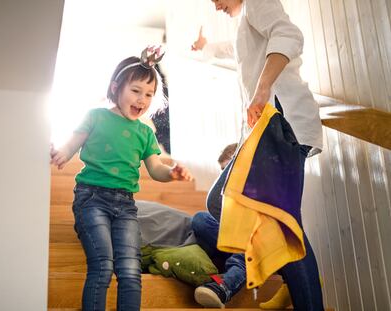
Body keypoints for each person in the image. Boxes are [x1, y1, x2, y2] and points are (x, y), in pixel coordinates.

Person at [191, 0, 324, 310]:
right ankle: (294, 275)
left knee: (265, 217)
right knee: (258, 216)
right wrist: (207, 47)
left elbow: (289, 35)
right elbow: (235, 49)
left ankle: (295, 276)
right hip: (268, 129)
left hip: (280, 123)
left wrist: (263, 89)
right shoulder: (247, 20)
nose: (215, 4)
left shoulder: (257, 2)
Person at [50, 47, 192, 311]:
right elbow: (70, 146)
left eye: (149, 94)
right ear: (116, 87)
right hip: (91, 199)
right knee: (103, 265)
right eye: (136, 91)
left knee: (130, 271)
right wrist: (59, 153)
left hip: (126, 206)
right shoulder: (95, 116)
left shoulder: (145, 132)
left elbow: (156, 168)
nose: (142, 99)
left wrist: (171, 174)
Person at [193, 143, 293, 309]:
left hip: (262, 247)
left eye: (226, 169)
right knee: (200, 219)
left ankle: (224, 287)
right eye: (222, 171)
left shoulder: (263, 187)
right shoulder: (230, 199)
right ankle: (228, 276)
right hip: (236, 243)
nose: (224, 176)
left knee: (251, 245)